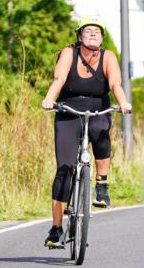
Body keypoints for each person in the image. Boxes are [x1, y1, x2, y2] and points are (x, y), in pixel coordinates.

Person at [41, 16, 132, 247]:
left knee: (101, 131)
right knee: (64, 170)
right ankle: (56, 228)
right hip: (68, 111)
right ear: (79, 36)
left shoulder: (108, 56)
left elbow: (115, 84)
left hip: (97, 109)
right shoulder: (68, 54)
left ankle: (101, 185)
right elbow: (59, 78)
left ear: (101, 38)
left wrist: (123, 103)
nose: (93, 34)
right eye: (88, 31)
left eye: (97, 31)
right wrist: (50, 98)